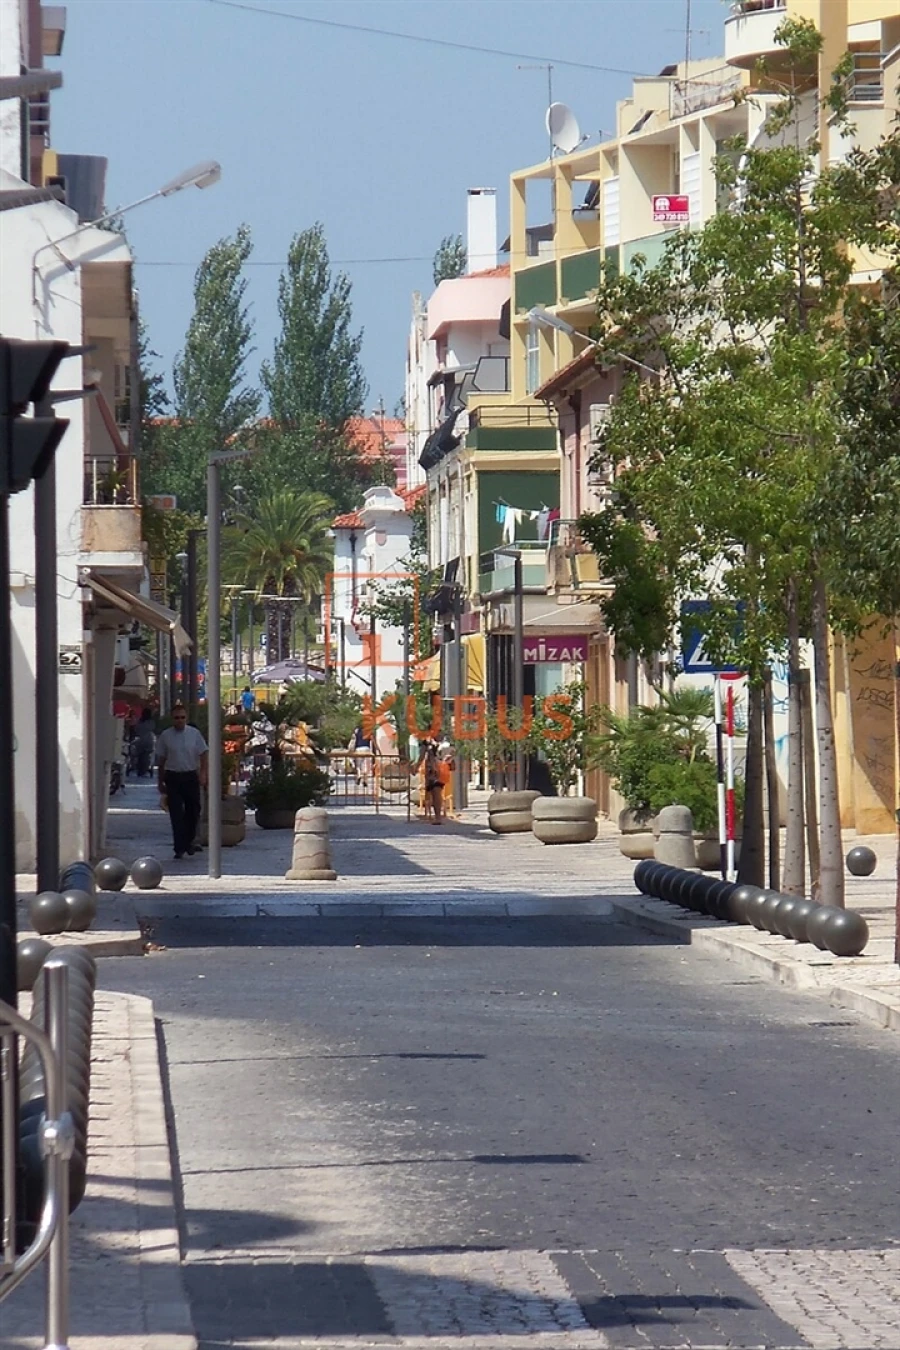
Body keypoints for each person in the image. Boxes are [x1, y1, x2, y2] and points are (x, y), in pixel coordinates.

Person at [156, 703, 208, 858]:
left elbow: (204, 753)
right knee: (176, 814)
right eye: (177, 718)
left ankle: (189, 841)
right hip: (173, 777)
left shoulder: (194, 734)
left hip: (190, 775)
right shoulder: (166, 736)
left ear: (186, 718)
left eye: (182, 717)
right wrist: (160, 781)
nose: (179, 720)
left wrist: (203, 773)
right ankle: (179, 847)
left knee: (194, 811)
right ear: (172, 719)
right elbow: (161, 759)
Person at [417, 738, 447, 824]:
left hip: (434, 771)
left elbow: (422, 756)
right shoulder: (443, 740)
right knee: (435, 793)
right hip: (439, 770)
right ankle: (435, 816)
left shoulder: (428, 742)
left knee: (435, 793)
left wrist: (416, 767)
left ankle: (437, 817)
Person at [132, 707, 156, 778]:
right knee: (147, 755)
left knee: (139, 755)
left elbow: (136, 730)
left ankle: (139, 769)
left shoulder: (139, 722)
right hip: (149, 740)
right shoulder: (151, 722)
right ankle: (145, 768)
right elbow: (153, 728)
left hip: (140, 741)